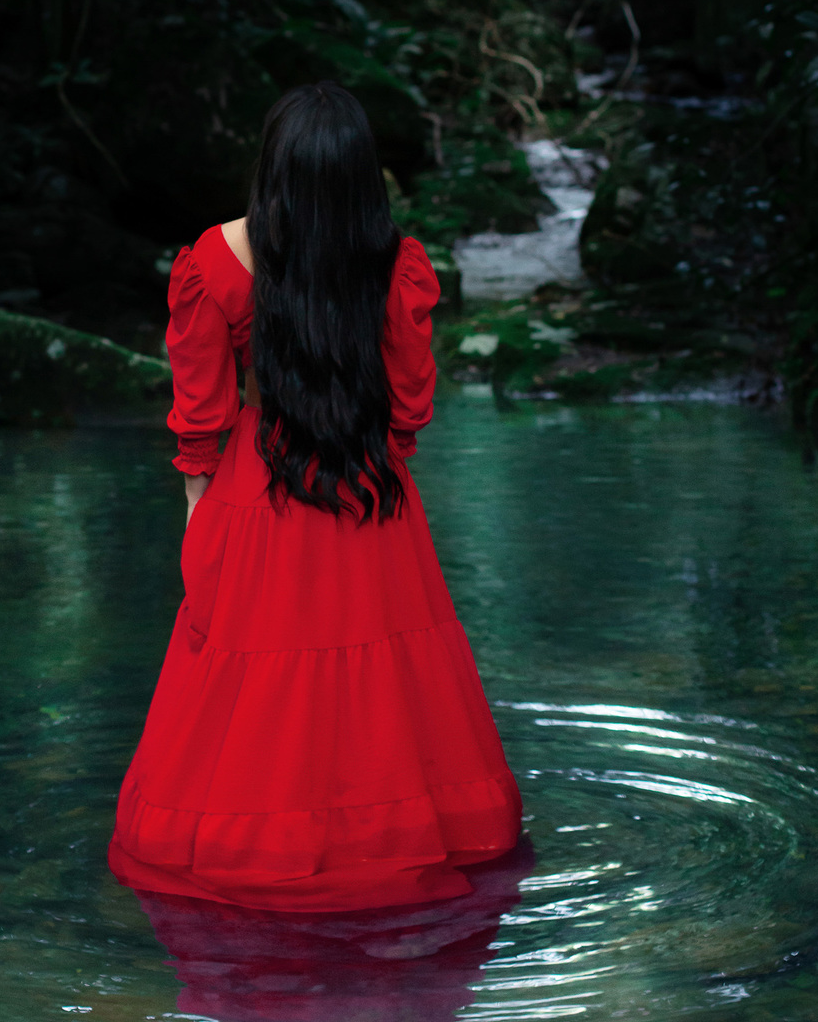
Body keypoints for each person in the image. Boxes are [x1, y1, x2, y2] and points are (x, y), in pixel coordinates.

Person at [108, 82, 523, 912]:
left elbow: (202, 418)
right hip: (371, 492)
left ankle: (260, 854)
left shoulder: (217, 260)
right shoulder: (395, 262)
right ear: (365, 176)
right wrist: (374, 466)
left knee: (254, 692)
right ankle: (383, 845)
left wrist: (201, 517)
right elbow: (408, 410)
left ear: (273, 168)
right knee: (383, 691)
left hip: (256, 491)